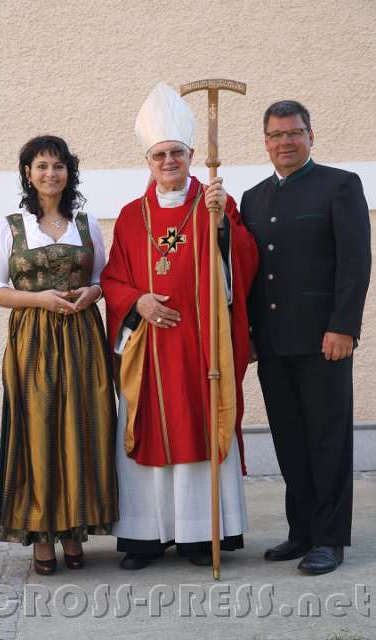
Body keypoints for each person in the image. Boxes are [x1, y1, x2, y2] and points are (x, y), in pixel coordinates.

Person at [101, 82, 258, 569]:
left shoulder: (216, 206)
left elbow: (243, 263)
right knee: (147, 428)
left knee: (201, 423)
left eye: (176, 153)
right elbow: (111, 279)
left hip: (202, 345)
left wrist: (223, 230)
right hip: (148, 349)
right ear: (148, 161)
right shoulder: (130, 217)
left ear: (192, 155)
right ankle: (145, 538)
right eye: (159, 154)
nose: (168, 161)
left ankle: (197, 537)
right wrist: (139, 301)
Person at [241, 100, 371, 575]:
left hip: (324, 340)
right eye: (275, 136)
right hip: (274, 343)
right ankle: (302, 531)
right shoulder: (252, 198)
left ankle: (330, 540)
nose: (285, 143)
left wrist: (344, 327)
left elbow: (356, 263)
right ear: (266, 142)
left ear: (310, 136)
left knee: (327, 440)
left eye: (293, 133)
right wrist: (251, 335)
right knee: (290, 440)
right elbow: (250, 273)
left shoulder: (339, 185)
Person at [0, 135, 118, 575]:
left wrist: (89, 294)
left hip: (81, 336)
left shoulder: (85, 221)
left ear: (68, 173)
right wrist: (41, 300)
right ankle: (41, 536)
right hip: (33, 341)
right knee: (38, 429)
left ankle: (75, 531)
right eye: (41, 166)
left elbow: (103, 280)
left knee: (83, 427)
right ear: (27, 173)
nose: (50, 174)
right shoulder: (10, 226)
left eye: (58, 166)